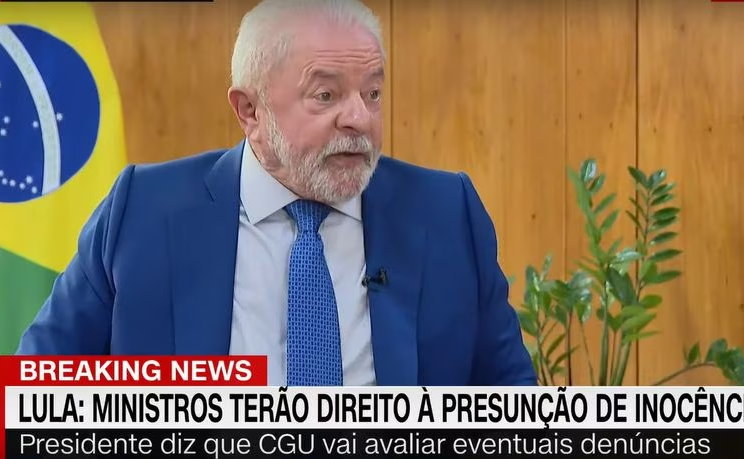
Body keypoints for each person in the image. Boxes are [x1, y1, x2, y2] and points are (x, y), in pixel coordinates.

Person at [16, 0, 536, 387]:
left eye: (373, 92)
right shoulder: (144, 213)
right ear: (250, 110)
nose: (359, 118)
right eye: (326, 94)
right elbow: (34, 392)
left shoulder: (446, 215)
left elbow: (512, 407)